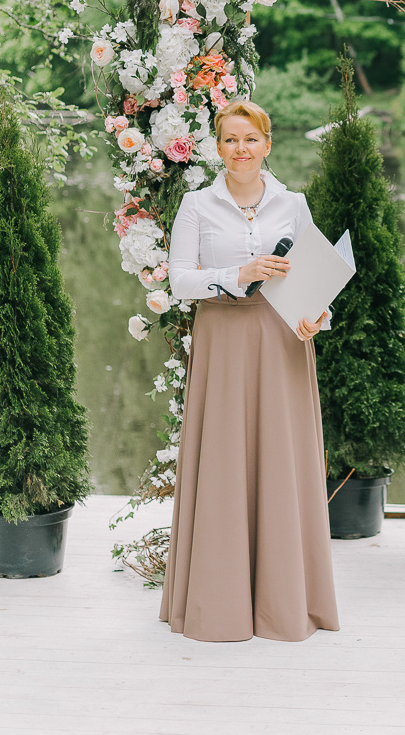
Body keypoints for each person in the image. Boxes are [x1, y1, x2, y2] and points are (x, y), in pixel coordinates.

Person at [159, 99, 340, 642]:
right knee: (222, 462)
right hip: (223, 337)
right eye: (230, 139)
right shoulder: (196, 205)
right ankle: (219, 604)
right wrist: (239, 273)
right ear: (218, 148)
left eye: (251, 138)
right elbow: (179, 282)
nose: (241, 148)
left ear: (267, 143)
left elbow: (314, 273)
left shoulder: (293, 203)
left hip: (283, 336)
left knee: (281, 460)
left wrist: (318, 315)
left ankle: (287, 604)